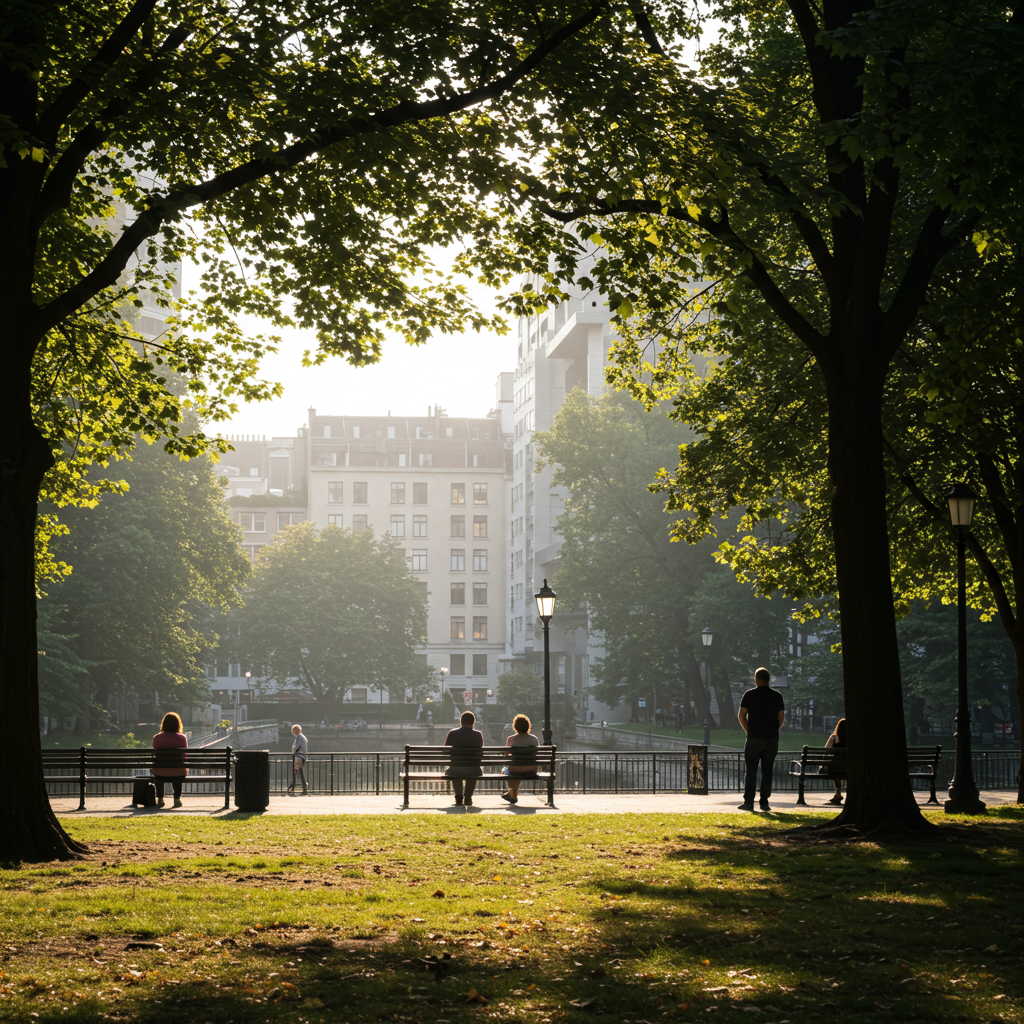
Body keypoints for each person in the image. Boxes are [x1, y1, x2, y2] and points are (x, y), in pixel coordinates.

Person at [737, 667, 785, 811]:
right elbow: (781, 718)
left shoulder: (749, 694)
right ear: (768, 680)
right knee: (767, 771)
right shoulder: (777, 696)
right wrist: (774, 730)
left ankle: (748, 802)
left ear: (756, 679)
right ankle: (764, 802)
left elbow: (741, 716)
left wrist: (748, 730)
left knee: (751, 771)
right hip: (771, 739)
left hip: (753, 738)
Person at [443, 710, 484, 806]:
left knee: (456, 770)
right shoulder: (478, 734)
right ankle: (468, 798)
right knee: (472, 770)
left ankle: (458, 797)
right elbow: (480, 753)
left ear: (461, 721)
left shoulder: (452, 733)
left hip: (455, 768)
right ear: (473, 722)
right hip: (473, 769)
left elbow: (445, 751)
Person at [501, 714, 539, 805]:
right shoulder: (534, 739)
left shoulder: (511, 739)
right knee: (519, 767)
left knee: (507, 770)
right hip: (531, 769)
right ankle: (512, 795)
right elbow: (536, 754)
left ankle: (513, 794)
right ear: (528, 726)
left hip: (515, 770)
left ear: (515, 727)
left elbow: (506, 755)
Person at [152, 712, 188, 809]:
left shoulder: (157, 738)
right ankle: (176, 799)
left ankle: (160, 799)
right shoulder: (182, 738)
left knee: (160, 771)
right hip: (178, 772)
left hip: (160, 772)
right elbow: (185, 755)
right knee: (177, 770)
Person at [823, 717, 847, 804]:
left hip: (835, 768)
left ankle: (838, 794)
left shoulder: (834, 737)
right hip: (849, 767)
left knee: (835, 768)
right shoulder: (853, 738)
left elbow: (826, 750)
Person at [289, 723, 309, 795]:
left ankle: (302, 787)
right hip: (302, 756)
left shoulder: (299, 737)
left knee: (298, 773)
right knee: (299, 772)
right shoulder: (302, 737)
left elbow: (296, 746)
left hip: (299, 757)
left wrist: (293, 751)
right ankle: (300, 786)